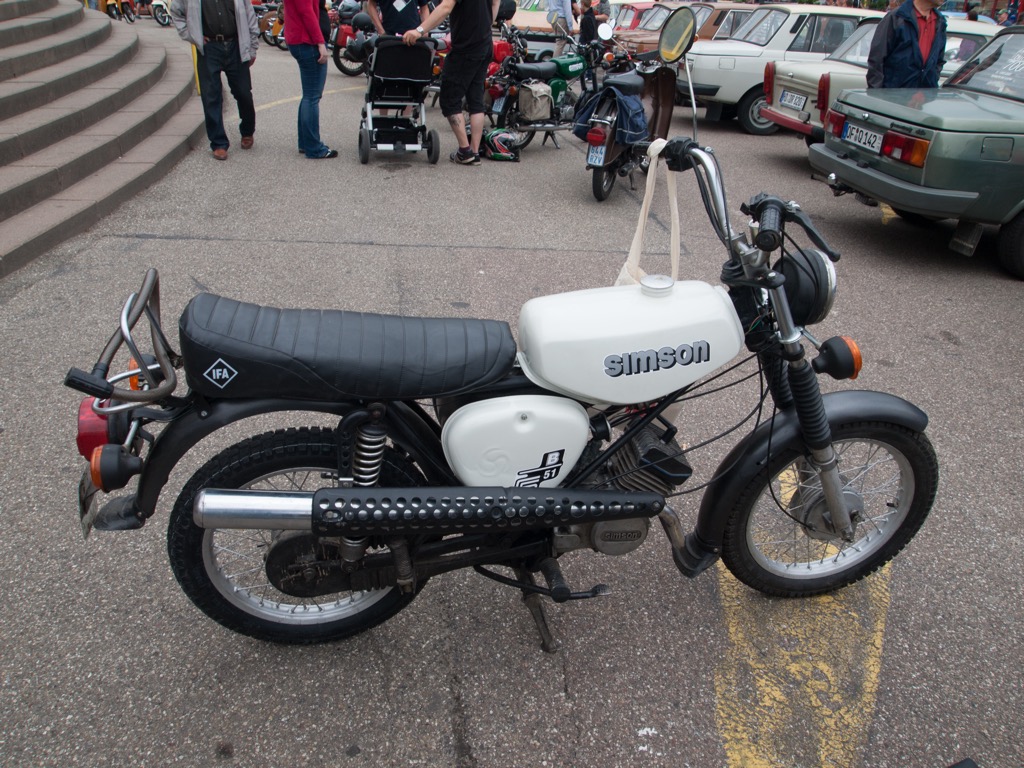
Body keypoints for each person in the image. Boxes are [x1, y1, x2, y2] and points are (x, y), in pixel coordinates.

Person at [402, 0, 501, 165]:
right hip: (484, 43)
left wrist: (419, 30)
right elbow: (495, 3)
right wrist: (484, 26)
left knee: (449, 99)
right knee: (475, 99)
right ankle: (474, 152)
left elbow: (446, 7)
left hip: (465, 48)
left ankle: (465, 151)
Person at [170, 0, 259, 160]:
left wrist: (252, 47)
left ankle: (247, 131)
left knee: (243, 92)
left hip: (235, 45)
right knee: (211, 96)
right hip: (209, 47)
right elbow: (176, 12)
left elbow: (249, 14)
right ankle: (218, 143)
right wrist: (190, 35)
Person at [284, 0, 338, 158]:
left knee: (309, 95)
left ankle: (306, 143)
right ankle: (313, 147)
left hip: (300, 40)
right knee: (312, 96)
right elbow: (306, 12)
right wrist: (320, 42)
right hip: (306, 41)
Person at [866, 0, 947, 89]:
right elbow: (877, 59)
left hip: (924, 97)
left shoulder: (940, 22)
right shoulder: (897, 18)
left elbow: (938, 60)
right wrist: (877, 95)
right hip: (893, 96)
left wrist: (932, 80)